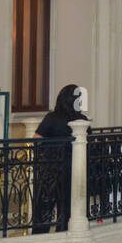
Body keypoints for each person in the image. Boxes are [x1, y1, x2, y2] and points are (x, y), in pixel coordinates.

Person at [31, 85, 88, 233]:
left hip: (51, 167)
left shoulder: (52, 118)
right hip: (74, 167)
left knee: (46, 203)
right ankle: (63, 232)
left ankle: (40, 234)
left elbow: (36, 140)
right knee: (68, 204)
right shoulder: (82, 119)